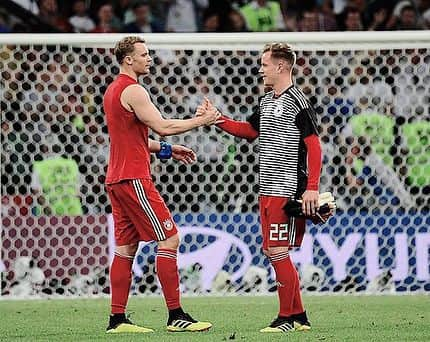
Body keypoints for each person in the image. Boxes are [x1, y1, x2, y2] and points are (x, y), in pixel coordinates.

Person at [103, 36, 219, 333]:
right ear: (129, 59)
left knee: (125, 249)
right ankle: (176, 316)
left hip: (116, 178)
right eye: (144, 54)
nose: (149, 58)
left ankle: (117, 320)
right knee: (169, 239)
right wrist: (201, 122)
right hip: (134, 178)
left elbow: (134, 138)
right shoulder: (134, 90)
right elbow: (163, 126)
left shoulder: (113, 90)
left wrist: (168, 149)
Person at [208, 42, 322, 333]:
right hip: (266, 188)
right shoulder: (266, 101)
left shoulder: (298, 101)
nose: (261, 69)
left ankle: (286, 318)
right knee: (274, 251)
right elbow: (249, 131)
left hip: (288, 189)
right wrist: (217, 119)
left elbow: (314, 146)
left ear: (281, 66)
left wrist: (312, 188)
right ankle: (299, 317)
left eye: (265, 64)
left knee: (276, 249)